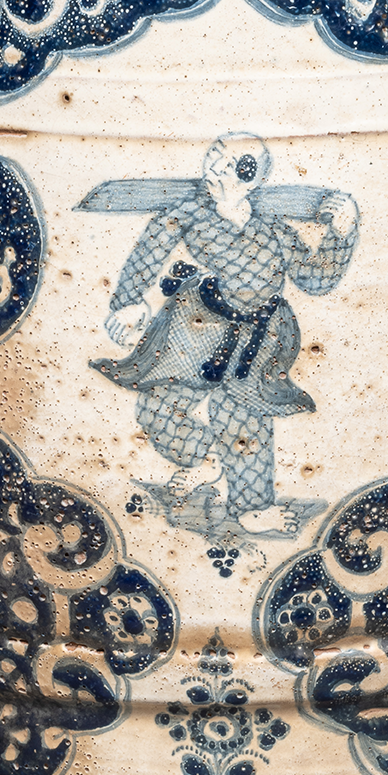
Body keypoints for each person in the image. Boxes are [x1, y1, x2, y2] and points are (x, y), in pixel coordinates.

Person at [92, 134, 358, 536]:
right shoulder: (189, 214)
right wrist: (128, 302)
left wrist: (342, 233)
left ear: (254, 178)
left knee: (244, 419)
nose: (217, 170)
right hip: (196, 326)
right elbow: (150, 249)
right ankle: (204, 459)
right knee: (159, 406)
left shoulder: (273, 229)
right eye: (214, 158)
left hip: (259, 338)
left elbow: (315, 279)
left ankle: (253, 506)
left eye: (234, 166)